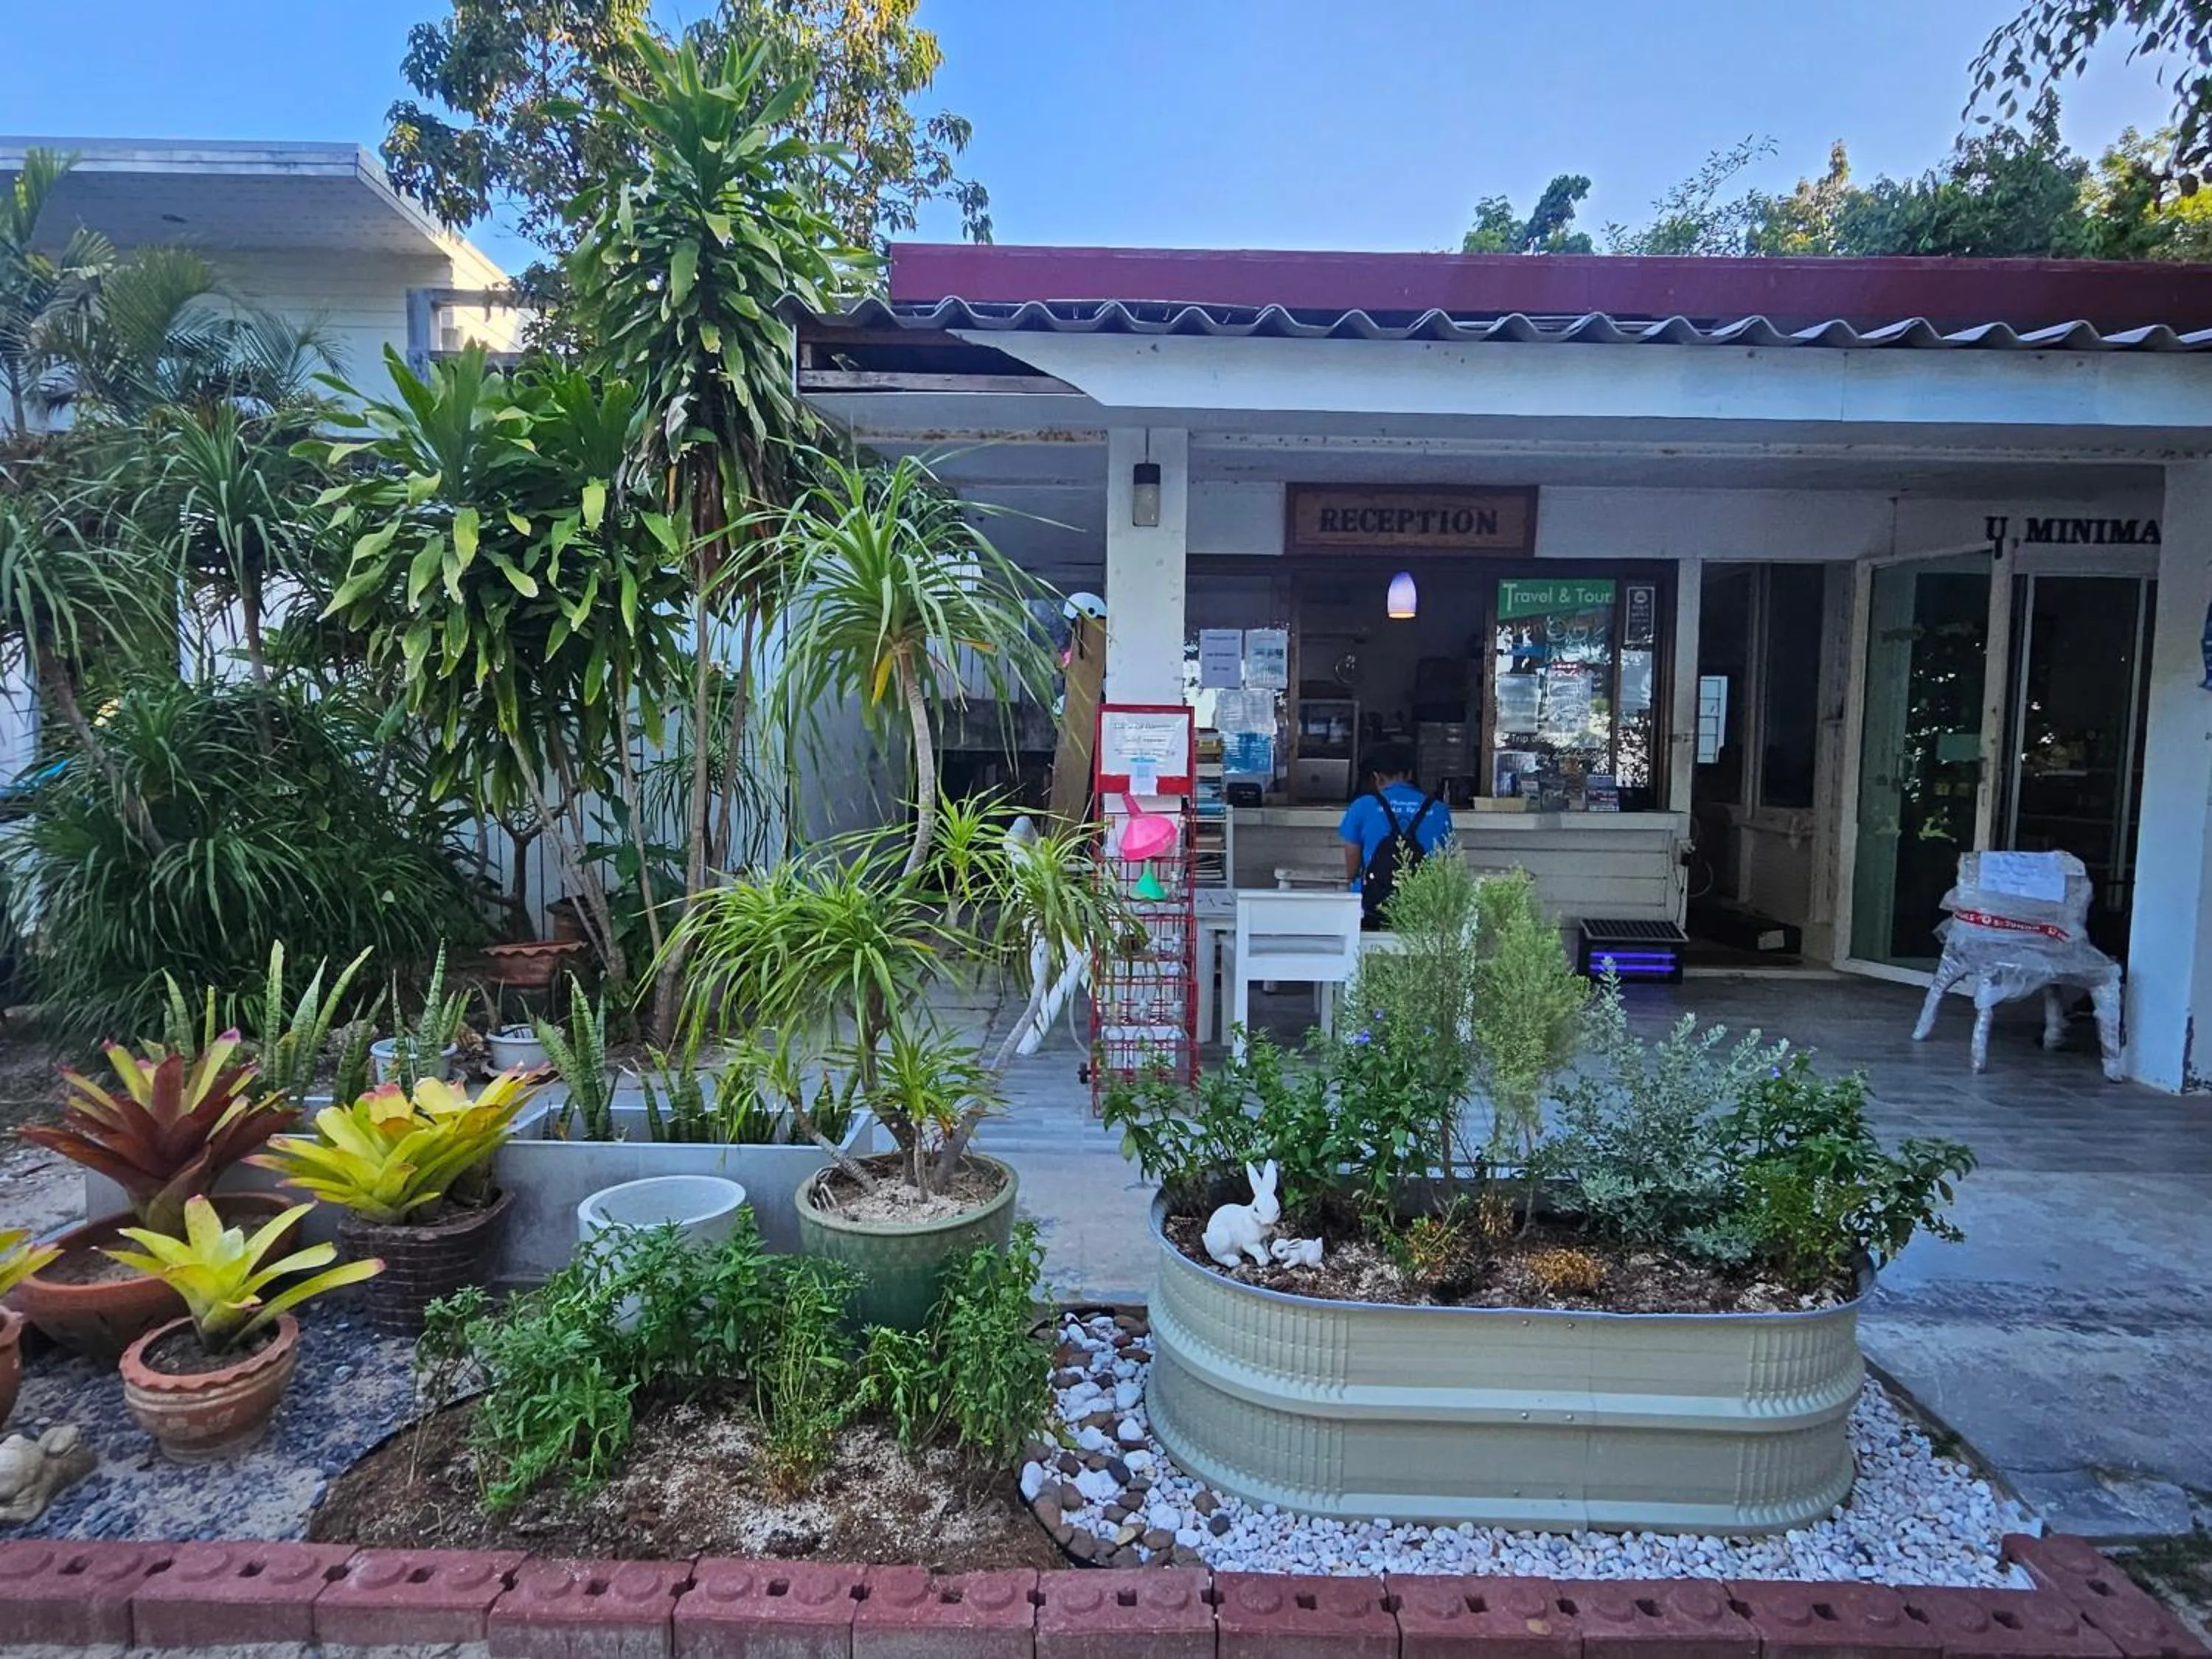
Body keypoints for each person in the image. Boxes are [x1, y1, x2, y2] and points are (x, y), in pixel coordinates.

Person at [1338, 745, 1452, 928]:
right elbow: (1444, 860)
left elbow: (1352, 857)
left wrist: (1353, 878)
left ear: (1376, 777)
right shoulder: (1439, 810)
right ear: (1410, 775)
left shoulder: (1363, 806)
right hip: (1423, 906)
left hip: (1371, 905)